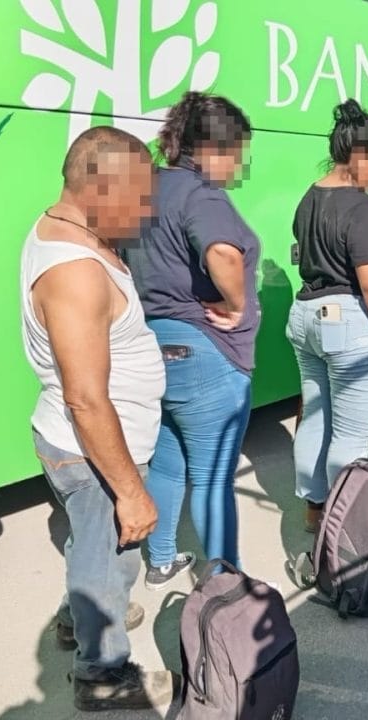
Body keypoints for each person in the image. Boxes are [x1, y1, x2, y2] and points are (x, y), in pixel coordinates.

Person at [22, 127, 177, 711]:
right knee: (111, 549)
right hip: (90, 448)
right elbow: (86, 399)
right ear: (97, 185)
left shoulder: (70, 233)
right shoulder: (75, 271)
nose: (144, 211)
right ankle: (103, 671)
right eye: (136, 197)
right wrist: (132, 492)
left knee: (91, 542)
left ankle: (76, 621)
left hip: (84, 441)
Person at [125, 92, 258, 583]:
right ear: (217, 149)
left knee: (167, 461)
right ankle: (226, 580)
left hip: (153, 344)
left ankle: (160, 559)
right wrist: (238, 304)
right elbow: (222, 252)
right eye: (238, 153)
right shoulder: (200, 194)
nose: (238, 165)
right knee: (213, 477)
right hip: (206, 351)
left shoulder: (145, 187)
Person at [287, 100, 368, 534]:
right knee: (353, 438)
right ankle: (345, 531)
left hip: (304, 316)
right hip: (347, 321)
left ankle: (315, 514)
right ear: (364, 154)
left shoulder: (309, 196)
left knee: (315, 418)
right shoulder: (361, 208)